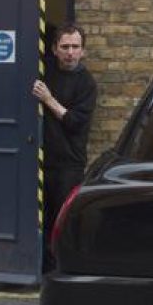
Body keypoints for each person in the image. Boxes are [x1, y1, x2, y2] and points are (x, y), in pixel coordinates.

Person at [32, 23, 98, 259]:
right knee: (41, 219)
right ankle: (41, 267)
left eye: (75, 47)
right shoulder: (44, 71)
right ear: (54, 49)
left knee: (62, 220)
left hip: (68, 165)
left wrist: (48, 100)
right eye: (65, 46)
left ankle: (60, 267)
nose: (70, 52)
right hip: (40, 159)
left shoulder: (87, 84)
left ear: (83, 51)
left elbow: (75, 123)